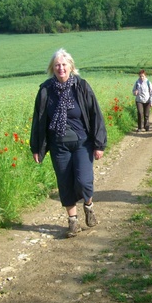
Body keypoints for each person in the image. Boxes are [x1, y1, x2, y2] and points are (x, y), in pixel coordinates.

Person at [30, 48, 107, 237]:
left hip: (82, 143)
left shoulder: (81, 86)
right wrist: (37, 147)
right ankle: (72, 221)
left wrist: (99, 144)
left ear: (71, 66)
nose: (61, 68)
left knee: (83, 181)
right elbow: (39, 120)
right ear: (52, 68)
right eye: (57, 65)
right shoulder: (46, 90)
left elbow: (95, 114)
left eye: (64, 65)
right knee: (64, 183)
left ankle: (88, 206)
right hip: (59, 145)